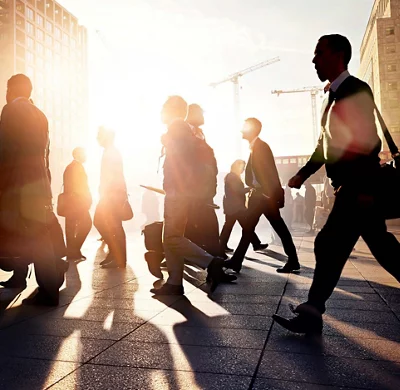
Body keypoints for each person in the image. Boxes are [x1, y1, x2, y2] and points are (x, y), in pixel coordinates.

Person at [273, 34, 400, 334]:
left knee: (329, 244)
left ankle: (312, 311)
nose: (314, 59)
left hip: (358, 188)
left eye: (319, 53)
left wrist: (366, 189)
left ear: (339, 54)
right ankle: (313, 311)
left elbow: (368, 143)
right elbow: (324, 146)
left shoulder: (356, 90)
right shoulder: (332, 97)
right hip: (352, 189)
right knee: (380, 248)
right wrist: (303, 174)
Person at [150, 96, 236, 295]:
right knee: (171, 237)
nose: (161, 111)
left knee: (171, 237)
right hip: (180, 192)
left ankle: (210, 262)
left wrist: (177, 188)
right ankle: (174, 282)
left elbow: (183, 162)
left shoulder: (177, 128)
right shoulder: (183, 129)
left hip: (178, 193)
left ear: (172, 110)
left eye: (164, 107)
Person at [0, 74, 64, 305]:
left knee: (18, 233)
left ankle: (33, 281)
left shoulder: (10, 111)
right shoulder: (40, 115)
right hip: (38, 184)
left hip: (17, 185)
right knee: (40, 236)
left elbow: (5, 150)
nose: (6, 93)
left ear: (13, 89)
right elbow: (45, 154)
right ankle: (48, 288)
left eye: (7, 88)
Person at [224, 118, 300, 274]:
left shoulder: (261, 147)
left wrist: (267, 194)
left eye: (244, 127)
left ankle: (293, 260)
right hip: (260, 196)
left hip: (263, 197)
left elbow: (270, 172)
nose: (241, 130)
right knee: (252, 228)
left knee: (274, 228)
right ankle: (237, 261)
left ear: (252, 130)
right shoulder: (255, 147)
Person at [184, 103, 221, 256]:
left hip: (204, 188)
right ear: (192, 113)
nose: (203, 117)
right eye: (201, 114)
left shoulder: (199, 133)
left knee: (199, 222)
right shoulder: (186, 132)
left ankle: (212, 254)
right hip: (194, 188)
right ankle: (214, 255)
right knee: (194, 222)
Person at [94, 127, 128, 269]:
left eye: (99, 136)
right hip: (111, 194)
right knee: (110, 225)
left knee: (109, 224)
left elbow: (114, 176)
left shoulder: (111, 153)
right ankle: (115, 254)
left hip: (112, 195)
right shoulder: (109, 151)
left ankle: (118, 256)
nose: (97, 139)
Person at [219, 159, 267, 256]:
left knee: (231, 226)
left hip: (232, 206)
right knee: (246, 226)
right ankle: (256, 244)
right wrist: (249, 188)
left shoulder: (231, 176)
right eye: (242, 167)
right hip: (235, 207)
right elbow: (237, 191)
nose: (243, 170)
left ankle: (222, 245)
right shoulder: (232, 177)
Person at [63, 147, 92, 261]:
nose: (86, 156)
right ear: (78, 154)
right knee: (86, 224)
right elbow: (81, 186)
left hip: (72, 202)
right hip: (77, 203)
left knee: (71, 228)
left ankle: (73, 252)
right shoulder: (76, 167)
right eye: (84, 154)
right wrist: (86, 199)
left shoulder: (71, 166)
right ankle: (74, 250)